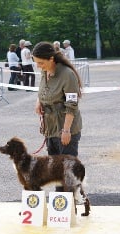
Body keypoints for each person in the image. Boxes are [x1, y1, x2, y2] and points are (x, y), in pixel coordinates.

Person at [32, 41, 83, 192]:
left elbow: (72, 104)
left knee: (67, 171)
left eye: (41, 62)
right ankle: (59, 206)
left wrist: (66, 130)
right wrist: (38, 101)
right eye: (36, 63)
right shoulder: (44, 71)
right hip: (51, 128)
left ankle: (70, 206)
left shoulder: (67, 75)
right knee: (55, 170)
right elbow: (43, 90)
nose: (38, 66)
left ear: (51, 59)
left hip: (66, 128)